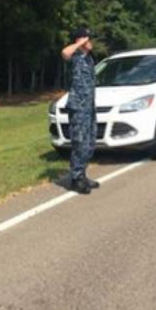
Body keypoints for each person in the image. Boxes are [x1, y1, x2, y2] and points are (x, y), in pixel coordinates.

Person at [61, 27, 100, 195]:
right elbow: (64, 53)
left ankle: (83, 175)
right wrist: (80, 43)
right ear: (81, 40)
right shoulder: (76, 57)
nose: (90, 42)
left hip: (89, 107)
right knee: (79, 142)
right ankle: (76, 179)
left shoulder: (88, 59)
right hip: (78, 107)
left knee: (90, 143)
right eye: (88, 39)